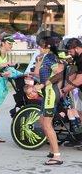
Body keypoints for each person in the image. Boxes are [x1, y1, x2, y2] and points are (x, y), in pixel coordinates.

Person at [34, 36, 64, 165]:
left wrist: (43, 84)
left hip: (51, 93)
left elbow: (59, 74)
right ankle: (53, 150)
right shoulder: (45, 57)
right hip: (47, 93)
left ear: (47, 47)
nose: (39, 47)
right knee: (42, 121)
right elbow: (37, 73)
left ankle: (57, 157)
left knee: (47, 124)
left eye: (41, 45)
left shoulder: (51, 57)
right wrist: (39, 61)